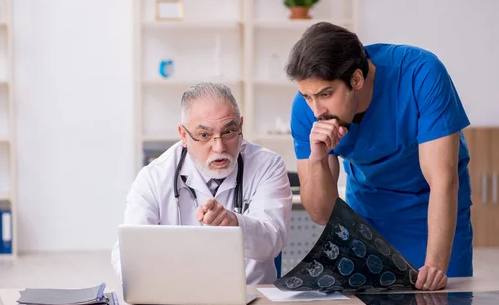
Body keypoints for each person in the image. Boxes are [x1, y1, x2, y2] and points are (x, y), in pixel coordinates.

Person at [287, 22, 473, 291]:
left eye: (326, 94)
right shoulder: (307, 109)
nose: (316, 110)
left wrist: (434, 264)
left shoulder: (421, 74)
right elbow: (320, 213)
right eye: (306, 96)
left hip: (435, 211)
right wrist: (317, 157)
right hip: (368, 218)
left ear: (356, 80)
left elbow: (443, 182)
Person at [111, 82, 292, 285]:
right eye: (204, 135)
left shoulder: (267, 165)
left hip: (252, 299)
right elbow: (128, 251)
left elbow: (273, 240)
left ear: (241, 126)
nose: (219, 146)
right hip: (177, 297)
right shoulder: (154, 178)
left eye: (229, 132)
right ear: (183, 136)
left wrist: (234, 222)